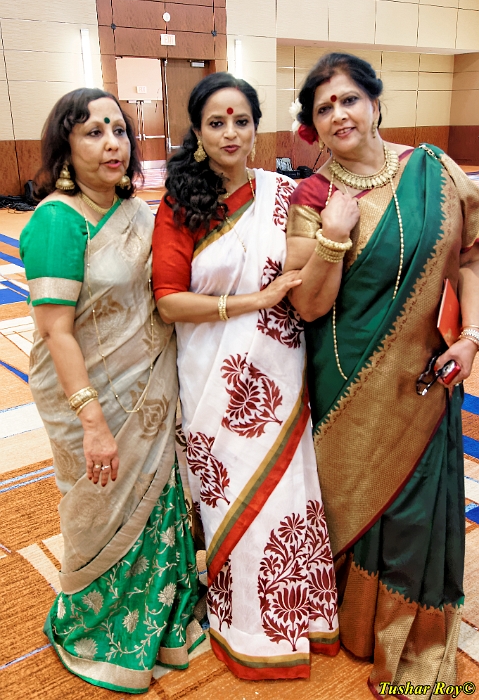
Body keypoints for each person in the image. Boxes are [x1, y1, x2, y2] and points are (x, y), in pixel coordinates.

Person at [286, 52, 479, 698]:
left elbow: (471, 259)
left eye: (348, 99)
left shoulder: (435, 171)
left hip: (426, 377)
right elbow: (308, 305)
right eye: (323, 108)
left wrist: (472, 337)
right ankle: (353, 621)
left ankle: (405, 638)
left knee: (417, 511)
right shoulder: (313, 197)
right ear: (313, 125)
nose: (338, 114)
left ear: (374, 102)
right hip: (346, 378)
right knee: (355, 496)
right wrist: (333, 236)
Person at [152, 72, 340, 680]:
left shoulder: (283, 195)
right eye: (216, 122)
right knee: (229, 495)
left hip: (279, 371)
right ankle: (241, 622)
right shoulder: (181, 204)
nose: (230, 132)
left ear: (257, 127)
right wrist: (251, 302)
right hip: (212, 376)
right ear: (198, 133)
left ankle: (297, 615)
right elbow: (168, 301)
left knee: (286, 493)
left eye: (241, 120)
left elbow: (318, 262)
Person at [19, 88, 204, 693]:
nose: (111, 144)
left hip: (148, 389)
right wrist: (93, 421)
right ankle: (96, 627)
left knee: (157, 499)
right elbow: (55, 330)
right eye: (93, 132)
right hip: (87, 398)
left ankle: (160, 616)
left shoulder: (138, 213)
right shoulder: (58, 220)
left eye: (118, 130)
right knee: (96, 504)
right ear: (66, 146)